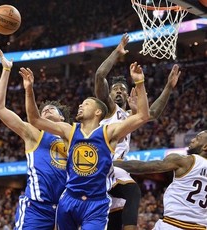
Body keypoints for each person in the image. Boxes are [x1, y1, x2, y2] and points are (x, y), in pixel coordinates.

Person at [20, 61, 150, 230]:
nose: (80, 105)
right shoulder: (69, 130)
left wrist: (139, 83)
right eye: (81, 103)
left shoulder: (109, 132)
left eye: (86, 103)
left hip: (95, 204)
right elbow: (35, 120)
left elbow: (143, 117)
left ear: (98, 112)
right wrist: (29, 90)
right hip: (68, 200)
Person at [95, 33, 181, 230]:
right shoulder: (107, 109)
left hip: (116, 169)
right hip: (104, 165)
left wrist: (168, 86)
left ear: (128, 94)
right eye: (115, 88)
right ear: (109, 94)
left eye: (122, 89)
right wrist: (117, 52)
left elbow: (154, 112)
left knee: (114, 218)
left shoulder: (130, 114)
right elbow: (100, 76)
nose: (118, 91)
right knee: (133, 192)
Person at [0, 47, 71, 230]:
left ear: (62, 118)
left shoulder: (72, 136)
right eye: (44, 110)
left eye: (53, 109)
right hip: (37, 208)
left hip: (66, 208)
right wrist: (5, 71)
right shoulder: (34, 133)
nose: (47, 110)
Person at [114, 130, 207, 230]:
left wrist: (112, 163)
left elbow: (143, 167)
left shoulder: (186, 161)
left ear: (205, 147)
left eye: (197, 138)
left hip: (173, 224)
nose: (192, 140)